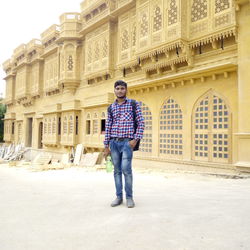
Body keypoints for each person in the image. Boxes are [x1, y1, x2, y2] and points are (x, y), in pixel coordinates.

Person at [103, 80, 144, 208]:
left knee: (126, 170)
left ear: (126, 90)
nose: (120, 90)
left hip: (127, 143)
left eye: (122, 88)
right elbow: (108, 126)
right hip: (114, 143)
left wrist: (135, 140)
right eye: (117, 88)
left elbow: (141, 122)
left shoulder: (133, 104)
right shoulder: (111, 107)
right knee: (117, 171)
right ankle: (119, 197)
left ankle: (129, 198)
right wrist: (106, 146)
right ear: (114, 90)